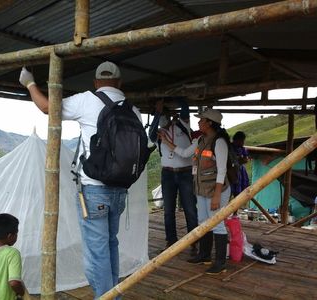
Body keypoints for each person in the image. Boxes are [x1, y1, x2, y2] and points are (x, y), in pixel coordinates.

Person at [19, 61, 142, 298]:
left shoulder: (87, 99)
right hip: (120, 190)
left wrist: (30, 83)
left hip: (93, 189)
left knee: (97, 253)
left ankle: (105, 297)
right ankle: (113, 294)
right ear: (120, 83)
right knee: (110, 245)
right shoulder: (132, 109)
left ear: (96, 83)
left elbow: (47, 108)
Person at [159, 108, 230, 275]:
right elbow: (184, 153)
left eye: (202, 120)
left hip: (216, 190)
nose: (199, 122)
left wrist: (217, 195)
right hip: (203, 189)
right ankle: (204, 255)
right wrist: (165, 140)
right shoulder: (200, 140)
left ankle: (220, 263)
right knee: (204, 221)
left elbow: (222, 170)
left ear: (210, 123)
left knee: (217, 223)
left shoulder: (219, 142)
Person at [149, 99, 198, 255]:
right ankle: (171, 241)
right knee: (168, 210)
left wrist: (175, 97)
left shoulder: (183, 125)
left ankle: (194, 241)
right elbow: (150, 135)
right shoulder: (158, 134)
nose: (163, 120)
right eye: (160, 118)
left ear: (170, 116)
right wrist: (157, 112)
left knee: (190, 209)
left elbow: (185, 108)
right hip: (168, 173)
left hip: (185, 172)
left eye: (164, 115)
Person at [231, 131, 250, 197]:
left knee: (242, 189)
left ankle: (239, 204)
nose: (243, 143)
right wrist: (239, 159)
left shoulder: (242, 149)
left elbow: (245, 160)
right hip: (232, 170)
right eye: (241, 140)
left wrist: (240, 159)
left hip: (240, 170)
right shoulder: (230, 147)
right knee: (232, 188)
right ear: (236, 140)